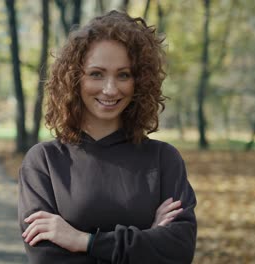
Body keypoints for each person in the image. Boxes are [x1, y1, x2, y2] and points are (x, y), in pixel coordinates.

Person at [17, 10, 197, 264]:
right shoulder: (44, 162)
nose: (110, 89)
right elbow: (47, 258)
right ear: (74, 80)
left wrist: (83, 241)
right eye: (96, 74)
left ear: (139, 82)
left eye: (123, 75)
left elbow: (179, 251)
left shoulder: (163, 159)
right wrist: (148, 239)